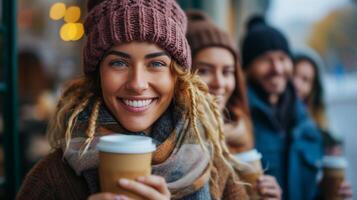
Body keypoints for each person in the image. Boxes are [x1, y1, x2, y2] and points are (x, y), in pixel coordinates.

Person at [17, 0, 249, 199]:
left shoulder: (215, 167)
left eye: (156, 64)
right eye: (119, 63)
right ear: (98, 74)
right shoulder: (53, 178)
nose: (137, 83)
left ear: (177, 77)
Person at [186, 11, 281, 199]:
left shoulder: (240, 126)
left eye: (227, 72)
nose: (220, 83)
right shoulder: (177, 141)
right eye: (204, 70)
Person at [241, 15, 323, 200]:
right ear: (247, 68)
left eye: (282, 58)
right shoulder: (239, 122)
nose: (277, 68)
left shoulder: (306, 122)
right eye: (265, 59)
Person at [293, 52, 353, 198]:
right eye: (293, 74)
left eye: (305, 80)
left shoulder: (323, 134)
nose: (297, 84)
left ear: (313, 89)